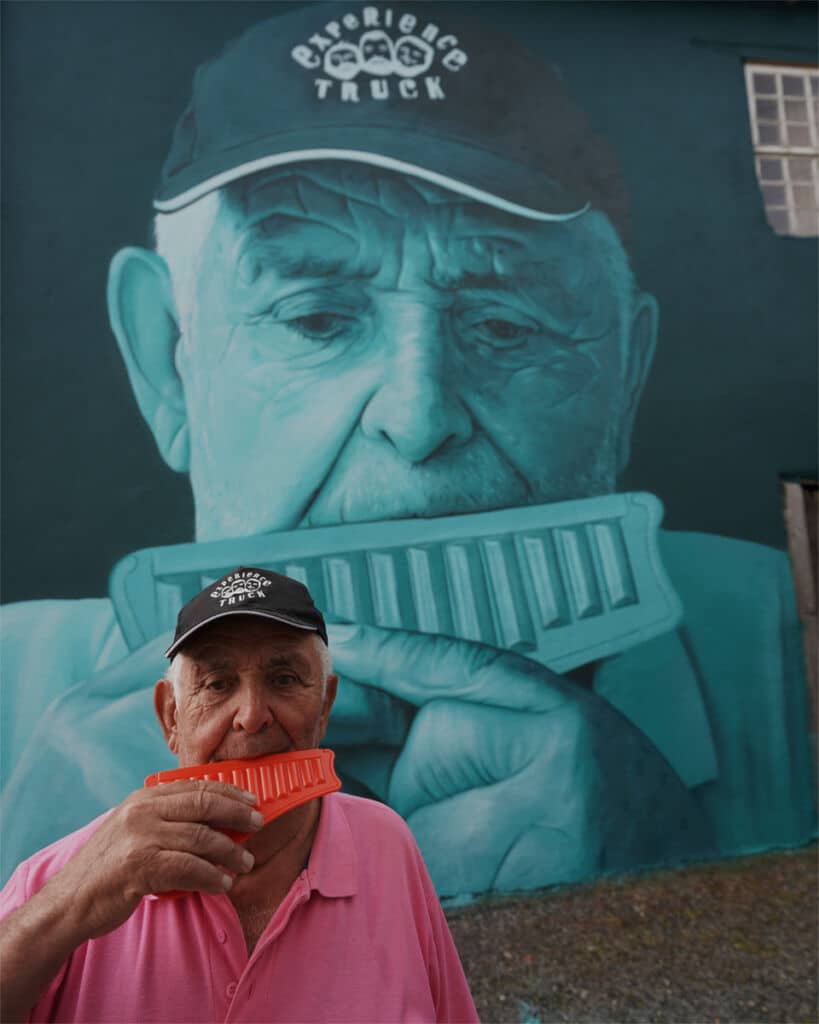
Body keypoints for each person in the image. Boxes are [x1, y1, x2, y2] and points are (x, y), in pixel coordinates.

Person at [1, 2, 814, 895]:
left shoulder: (785, 635)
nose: (418, 415)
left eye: (505, 324)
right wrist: (46, 909)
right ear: (166, 362)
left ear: (622, 375)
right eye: (314, 318)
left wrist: (669, 885)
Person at [0, 568, 479, 1023]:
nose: (251, 715)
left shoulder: (384, 842)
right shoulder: (52, 877)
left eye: (284, 680)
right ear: (171, 718)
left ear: (325, 707)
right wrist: (68, 905)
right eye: (217, 684)